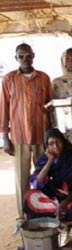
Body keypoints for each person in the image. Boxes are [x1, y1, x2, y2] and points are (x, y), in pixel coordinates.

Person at [0, 43, 51, 218]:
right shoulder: (9, 79)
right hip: (19, 135)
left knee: (42, 176)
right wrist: (4, 137)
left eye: (28, 55)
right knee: (21, 178)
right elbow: (4, 109)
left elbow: (49, 106)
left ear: (33, 56)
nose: (25, 59)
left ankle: (43, 213)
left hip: (41, 134)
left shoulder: (44, 78)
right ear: (16, 58)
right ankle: (24, 217)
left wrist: (50, 137)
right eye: (21, 56)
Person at [23, 128, 72, 221]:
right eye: (51, 144)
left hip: (71, 198)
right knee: (30, 197)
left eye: (58, 142)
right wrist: (49, 161)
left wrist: (65, 203)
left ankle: (58, 218)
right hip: (53, 197)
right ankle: (49, 220)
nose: (56, 146)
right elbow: (37, 184)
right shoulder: (44, 159)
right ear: (46, 146)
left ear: (63, 141)